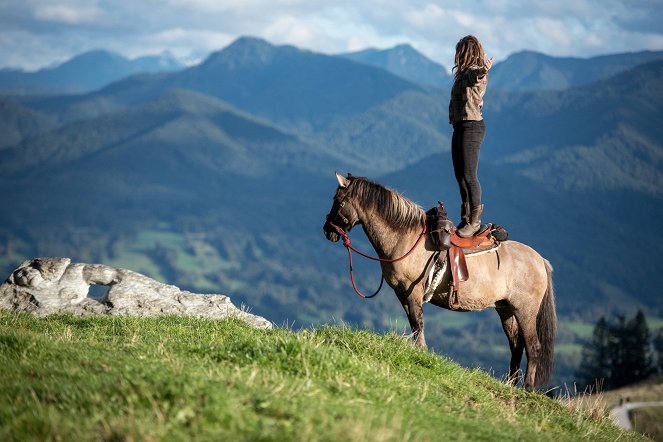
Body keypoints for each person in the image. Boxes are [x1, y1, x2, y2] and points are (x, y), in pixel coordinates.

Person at [448, 35, 493, 237]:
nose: (457, 56)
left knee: (469, 175)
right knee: (460, 176)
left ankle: (475, 221)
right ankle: (466, 217)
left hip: (472, 127)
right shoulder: (462, 74)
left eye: (460, 51)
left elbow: (477, 75)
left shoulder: (473, 72)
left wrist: (484, 69)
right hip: (460, 127)